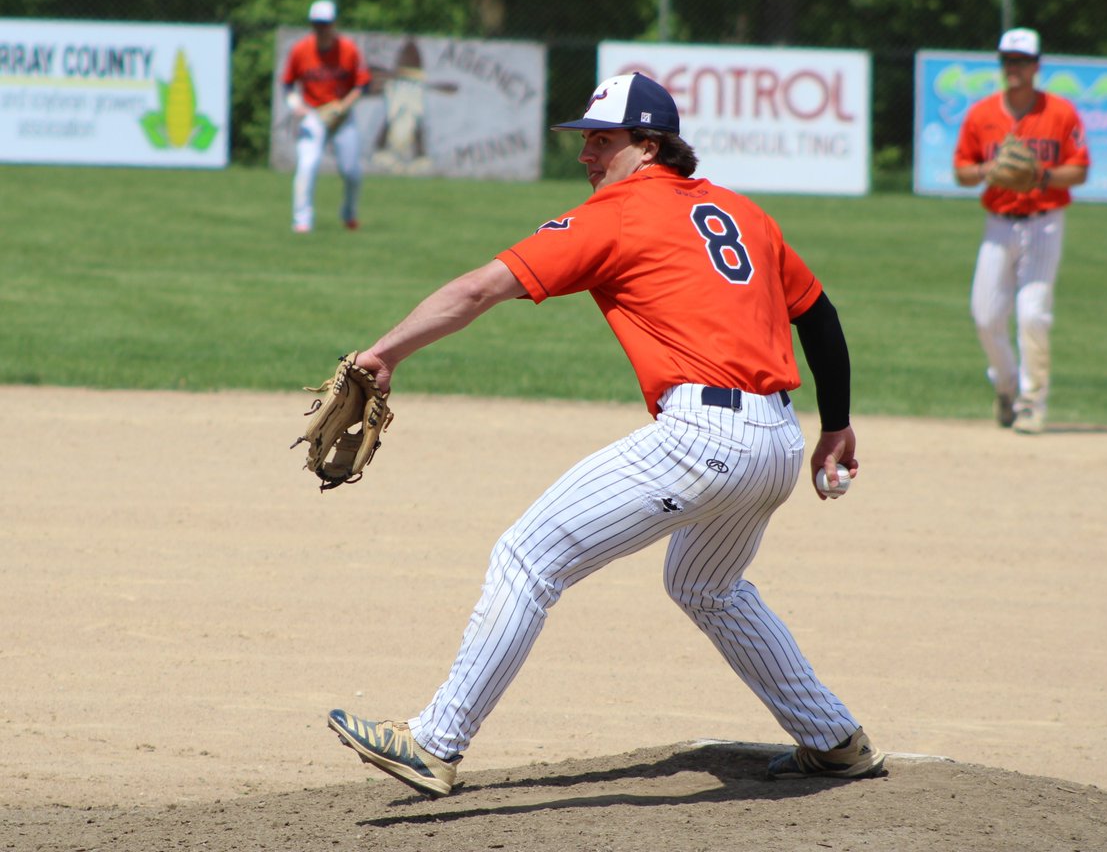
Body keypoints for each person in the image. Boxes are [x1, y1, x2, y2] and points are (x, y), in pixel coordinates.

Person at [326, 73, 886, 798]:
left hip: (702, 436)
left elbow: (477, 290)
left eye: (602, 140)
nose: (586, 155)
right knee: (707, 585)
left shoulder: (618, 213)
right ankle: (834, 741)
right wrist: (836, 423)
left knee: (528, 558)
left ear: (648, 146)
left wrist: (383, 353)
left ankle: (433, 744)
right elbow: (818, 313)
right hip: (776, 441)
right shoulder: (741, 212)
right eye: (583, 141)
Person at [953, 28, 1090, 434]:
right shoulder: (981, 115)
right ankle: (1007, 386)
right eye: (1008, 61)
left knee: (1033, 315)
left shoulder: (1060, 113)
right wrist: (986, 170)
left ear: (1036, 66)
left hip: (1045, 223)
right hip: (999, 224)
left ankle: (1032, 402)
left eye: (1022, 61)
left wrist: (1041, 176)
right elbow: (961, 172)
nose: (1014, 68)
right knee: (985, 316)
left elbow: (1079, 170)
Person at [281, 0, 371, 233]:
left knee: (351, 171)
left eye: (326, 24)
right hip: (314, 114)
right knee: (307, 166)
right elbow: (288, 84)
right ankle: (302, 220)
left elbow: (362, 84)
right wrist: (295, 106)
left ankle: (349, 214)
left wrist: (344, 106)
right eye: (317, 24)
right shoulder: (300, 50)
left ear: (334, 25)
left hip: (342, 116)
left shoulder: (348, 49)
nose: (322, 29)